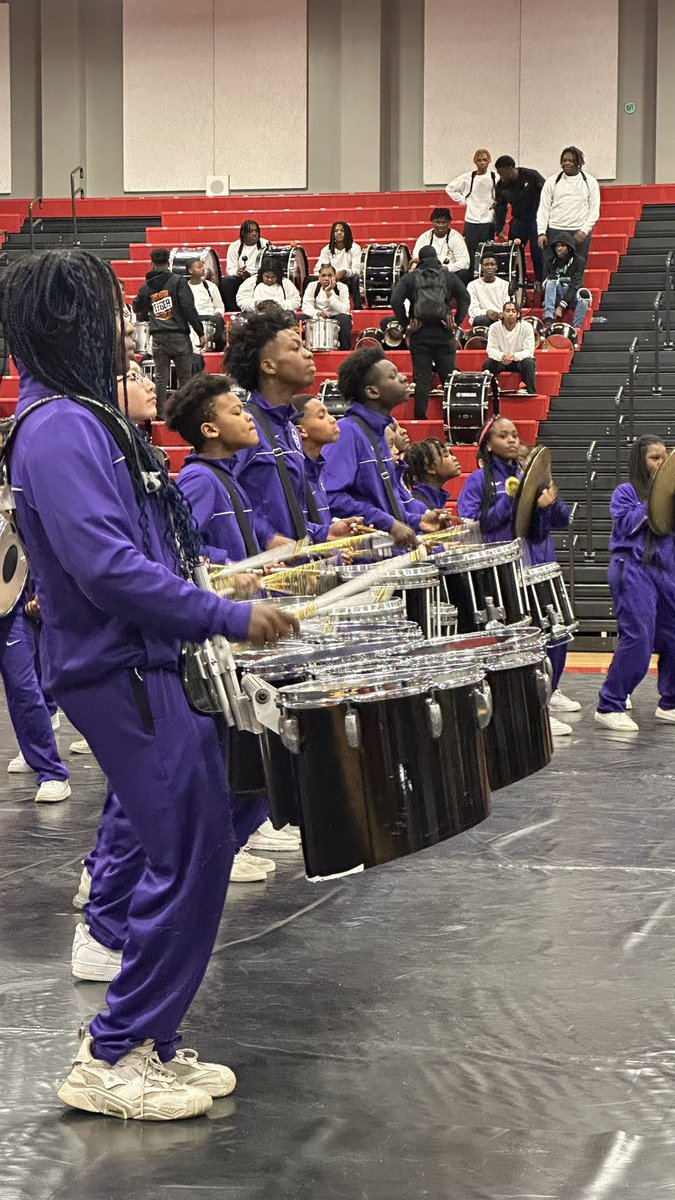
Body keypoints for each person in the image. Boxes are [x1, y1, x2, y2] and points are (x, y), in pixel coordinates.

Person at [0, 248, 297, 1120]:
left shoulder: (78, 419)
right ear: (75, 324)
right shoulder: (58, 426)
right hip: (119, 669)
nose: (126, 331)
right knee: (183, 854)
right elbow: (107, 568)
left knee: (200, 849)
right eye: (110, 314)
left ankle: (151, 1039)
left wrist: (215, 589)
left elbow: (138, 554)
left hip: (144, 662)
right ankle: (113, 1052)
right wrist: (226, 617)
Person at [457, 417, 572, 736]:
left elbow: (561, 520)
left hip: (536, 565)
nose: (511, 440)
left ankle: (547, 695)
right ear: (488, 444)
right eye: (503, 435)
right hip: (501, 572)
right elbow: (473, 524)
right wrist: (512, 496)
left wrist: (549, 500)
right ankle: (532, 709)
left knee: (557, 634)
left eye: (515, 435)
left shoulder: (529, 474)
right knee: (517, 642)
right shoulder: (479, 481)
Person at [225, 308, 360, 544]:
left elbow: (288, 518)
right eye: (295, 348)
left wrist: (324, 532)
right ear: (269, 366)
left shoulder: (289, 430)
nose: (308, 354)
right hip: (264, 573)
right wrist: (267, 538)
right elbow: (224, 500)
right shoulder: (245, 426)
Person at [322, 346, 452, 546]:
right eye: (393, 376)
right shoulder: (347, 433)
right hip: (366, 559)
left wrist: (418, 521)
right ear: (373, 392)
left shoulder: (380, 434)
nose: (403, 378)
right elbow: (330, 497)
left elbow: (387, 504)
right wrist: (387, 523)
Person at [595, 436, 675, 733]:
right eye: (655, 458)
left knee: (673, 637)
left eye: (665, 457)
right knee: (639, 640)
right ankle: (610, 704)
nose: (662, 463)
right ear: (641, 462)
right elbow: (627, 525)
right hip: (632, 568)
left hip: (664, 571)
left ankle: (670, 703)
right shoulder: (625, 492)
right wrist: (654, 497)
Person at [1, 590, 71, 803]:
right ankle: (31, 748)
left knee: (22, 685)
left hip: (9, 602)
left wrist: (41, 590)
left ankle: (51, 770)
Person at [390, 245, 470, 420]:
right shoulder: (448, 277)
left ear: (420, 259)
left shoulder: (410, 278)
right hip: (444, 332)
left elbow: (395, 301)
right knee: (449, 379)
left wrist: (407, 325)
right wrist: (456, 322)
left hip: (420, 334)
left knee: (422, 379)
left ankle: (420, 419)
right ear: (436, 258)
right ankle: (455, 418)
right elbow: (465, 297)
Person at [133, 247, 205, 415]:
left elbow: (137, 307)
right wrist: (200, 331)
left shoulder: (147, 286)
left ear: (152, 263)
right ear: (168, 262)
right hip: (179, 335)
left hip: (158, 337)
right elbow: (188, 308)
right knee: (185, 377)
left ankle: (159, 412)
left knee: (161, 378)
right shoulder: (178, 281)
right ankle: (186, 413)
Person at [537, 146, 600, 271]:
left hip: (578, 231)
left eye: (570, 161)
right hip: (554, 230)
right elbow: (543, 208)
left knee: (576, 269)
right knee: (550, 268)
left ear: (579, 163)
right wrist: (542, 232)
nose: (566, 163)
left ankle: (575, 291)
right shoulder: (552, 181)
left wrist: (584, 230)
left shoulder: (590, 182)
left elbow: (594, 210)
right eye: (564, 160)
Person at [493, 156, 546, 282]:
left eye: (503, 173)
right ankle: (515, 281)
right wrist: (499, 228)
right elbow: (501, 207)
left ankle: (541, 280)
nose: (501, 177)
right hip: (519, 219)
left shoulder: (531, 175)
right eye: (499, 174)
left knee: (537, 253)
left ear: (511, 168)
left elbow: (547, 192)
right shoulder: (501, 186)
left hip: (536, 219)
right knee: (513, 251)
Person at [291, 394, 340, 526]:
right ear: (301, 431)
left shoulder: (318, 468)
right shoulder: (293, 474)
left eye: (329, 413)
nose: (333, 419)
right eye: (321, 416)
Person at [445, 149, 497, 271]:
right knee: (470, 251)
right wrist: (463, 200)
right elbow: (450, 188)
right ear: (475, 161)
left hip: (488, 221)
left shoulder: (494, 176)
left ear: (489, 161)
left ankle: (485, 275)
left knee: (487, 251)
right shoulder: (468, 177)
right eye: (479, 160)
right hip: (471, 221)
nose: (482, 163)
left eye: (485, 160)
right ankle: (472, 275)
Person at [484, 301, 537, 394]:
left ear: (518, 314)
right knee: (488, 363)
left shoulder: (527, 327)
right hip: (501, 360)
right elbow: (491, 349)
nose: (510, 314)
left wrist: (514, 356)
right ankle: (489, 391)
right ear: (503, 313)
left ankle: (529, 391)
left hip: (519, 360)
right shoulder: (494, 327)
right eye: (507, 311)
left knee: (529, 362)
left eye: (513, 311)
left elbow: (529, 351)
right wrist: (502, 356)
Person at [541, 234, 591, 330]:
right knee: (551, 279)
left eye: (562, 246)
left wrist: (561, 306)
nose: (559, 249)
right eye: (557, 246)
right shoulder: (549, 261)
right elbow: (544, 283)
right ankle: (549, 317)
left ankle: (576, 329)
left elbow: (575, 285)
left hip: (571, 294)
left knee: (585, 296)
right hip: (555, 295)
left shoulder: (579, 261)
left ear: (569, 248)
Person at [221, 219, 270, 311]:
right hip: (241, 278)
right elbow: (230, 269)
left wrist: (251, 274)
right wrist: (238, 272)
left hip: (258, 277)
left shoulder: (266, 244)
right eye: (251, 231)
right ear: (243, 234)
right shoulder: (234, 246)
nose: (254, 234)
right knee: (227, 281)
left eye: (256, 231)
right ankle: (234, 310)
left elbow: (270, 266)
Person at [412, 208, 471, 284]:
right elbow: (416, 258)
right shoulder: (424, 237)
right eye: (437, 222)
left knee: (464, 273)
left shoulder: (456, 237)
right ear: (432, 221)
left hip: (449, 275)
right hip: (428, 274)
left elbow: (465, 262)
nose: (440, 225)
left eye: (444, 222)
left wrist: (447, 268)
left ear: (449, 222)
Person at [301, 264, 353, 351]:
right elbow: (306, 306)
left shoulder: (342, 287)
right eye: (323, 275)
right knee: (299, 318)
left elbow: (344, 309)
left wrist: (329, 294)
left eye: (330, 275)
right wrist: (317, 313)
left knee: (345, 318)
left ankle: (345, 351)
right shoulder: (312, 286)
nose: (326, 278)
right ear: (319, 277)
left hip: (336, 316)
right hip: (317, 316)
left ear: (334, 276)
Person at [314, 221, 362, 309]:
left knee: (357, 279)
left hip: (347, 279)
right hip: (329, 278)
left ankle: (358, 307)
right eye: (336, 231)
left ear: (347, 233)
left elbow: (357, 270)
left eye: (342, 230)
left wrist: (344, 271)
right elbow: (318, 268)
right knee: (309, 280)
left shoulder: (355, 248)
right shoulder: (326, 250)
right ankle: (312, 307)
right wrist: (328, 276)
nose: (339, 233)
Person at [403, 438, 462, 510]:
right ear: (429, 468)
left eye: (451, 454)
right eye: (445, 455)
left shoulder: (436, 500)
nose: (454, 458)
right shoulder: (419, 505)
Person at [186, 256, 226, 351]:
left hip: (210, 318)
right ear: (190, 270)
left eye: (203, 267)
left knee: (218, 321)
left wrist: (218, 313)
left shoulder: (210, 286)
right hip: (193, 318)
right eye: (199, 267)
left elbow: (219, 306)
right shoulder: (184, 287)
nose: (202, 269)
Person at [236, 257, 302, 315]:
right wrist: (257, 304)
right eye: (267, 276)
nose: (270, 280)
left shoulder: (286, 283)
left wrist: (280, 306)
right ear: (262, 274)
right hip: (255, 316)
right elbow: (241, 300)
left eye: (273, 277)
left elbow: (296, 301)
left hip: (280, 316)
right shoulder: (251, 282)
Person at [467, 253, 511, 329]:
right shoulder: (472, 285)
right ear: (481, 267)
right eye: (486, 265)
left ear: (496, 267)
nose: (489, 267)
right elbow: (472, 310)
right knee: (482, 320)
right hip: (483, 317)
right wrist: (486, 312)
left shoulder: (505, 284)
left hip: (500, 317)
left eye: (492, 264)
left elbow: (507, 304)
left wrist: (503, 314)